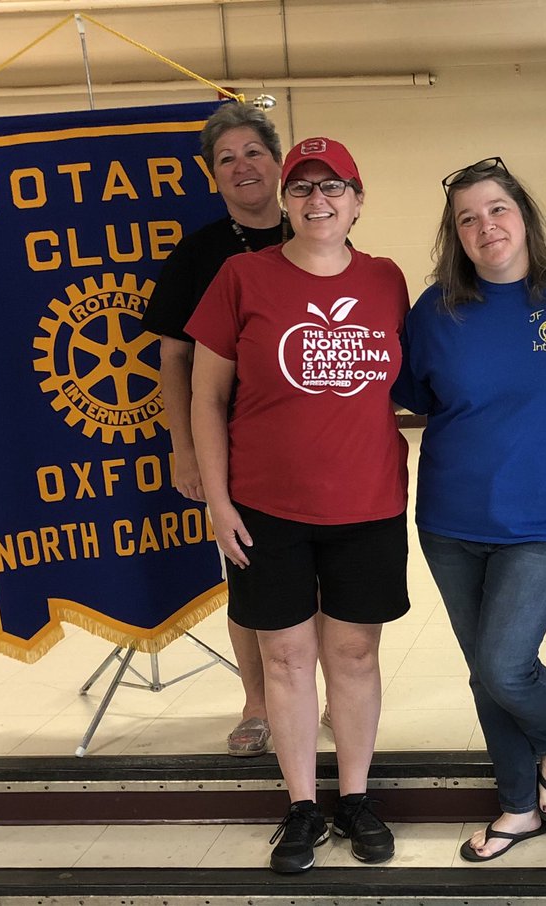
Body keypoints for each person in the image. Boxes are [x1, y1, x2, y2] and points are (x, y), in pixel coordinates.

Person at [187, 137, 409, 873]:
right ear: (285, 199)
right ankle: (302, 808)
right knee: (284, 657)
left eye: (334, 187)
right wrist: (218, 502)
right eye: (304, 188)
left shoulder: (386, 280)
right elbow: (206, 395)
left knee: (353, 654)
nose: (320, 201)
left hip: (367, 501)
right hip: (266, 508)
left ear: (357, 197)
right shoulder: (242, 276)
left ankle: (355, 796)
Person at [393, 157, 546, 862]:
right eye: (468, 218)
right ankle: (516, 807)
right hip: (452, 519)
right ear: (456, 235)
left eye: (498, 209)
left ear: (525, 216)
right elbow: (414, 398)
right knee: (484, 671)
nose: (486, 226)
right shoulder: (437, 310)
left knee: (506, 663)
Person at [142, 101, 288, 757]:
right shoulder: (200, 254)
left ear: (278, 162)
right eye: (225, 158)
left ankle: (327, 695)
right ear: (213, 176)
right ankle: (259, 703)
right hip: (236, 450)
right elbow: (172, 358)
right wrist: (185, 450)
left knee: (327, 584)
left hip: (317, 447)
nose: (241, 166)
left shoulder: (319, 232)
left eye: (252, 152)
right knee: (251, 579)